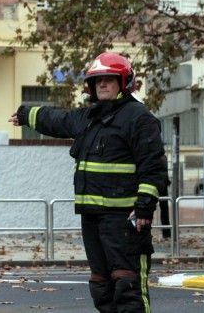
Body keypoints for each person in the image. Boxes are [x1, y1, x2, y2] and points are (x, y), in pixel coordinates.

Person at [9, 52, 167, 313]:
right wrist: (27, 115)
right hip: (92, 218)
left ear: (123, 82)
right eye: (97, 80)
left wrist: (144, 208)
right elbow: (58, 120)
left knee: (128, 287)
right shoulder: (89, 117)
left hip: (123, 220)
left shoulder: (139, 119)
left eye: (108, 79)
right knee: (101, 287)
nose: (102, 84)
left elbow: (153, 167)